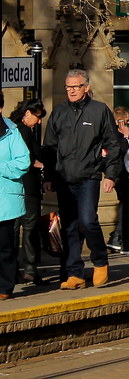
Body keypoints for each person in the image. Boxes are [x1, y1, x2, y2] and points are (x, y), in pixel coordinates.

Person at [42, 69, 124, 290]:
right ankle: (75, 273)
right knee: (68, 226)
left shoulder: (99, 111)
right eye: (68, 87)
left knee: (88, 220)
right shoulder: (59, 112)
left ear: (86, 87)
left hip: (89, 175)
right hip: (64, 177)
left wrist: (111, 175)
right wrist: (49, 176)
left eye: (75, 86)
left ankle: (100, 261)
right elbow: (49, 147)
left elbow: (113, 144)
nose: (71, 90)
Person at [10, 99, 47, 285]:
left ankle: (13, 269)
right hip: (27, 186)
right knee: (29, 227)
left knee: (15, 228)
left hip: (14, 187)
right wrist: (43, 166)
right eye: (37, 117)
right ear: (27, 114)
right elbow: (27, 159)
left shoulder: (12, 129)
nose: (39, 121)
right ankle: (30, 269)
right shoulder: (23, 131)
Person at [0, 93, 31, 300]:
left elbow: (23, 161)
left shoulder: (11, 130)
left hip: (4, 199)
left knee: (4, 245)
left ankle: (4, 286)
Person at [107, 106, 129, 255]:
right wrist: (126, 137)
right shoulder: (114, 134)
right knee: (128, 208)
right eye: (125, 121)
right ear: (118, 121)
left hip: (127, 173)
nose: (127, 124)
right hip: (119, 173)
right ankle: (118, 239)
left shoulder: (123, 134)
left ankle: (120, 238)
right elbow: (117, 151)